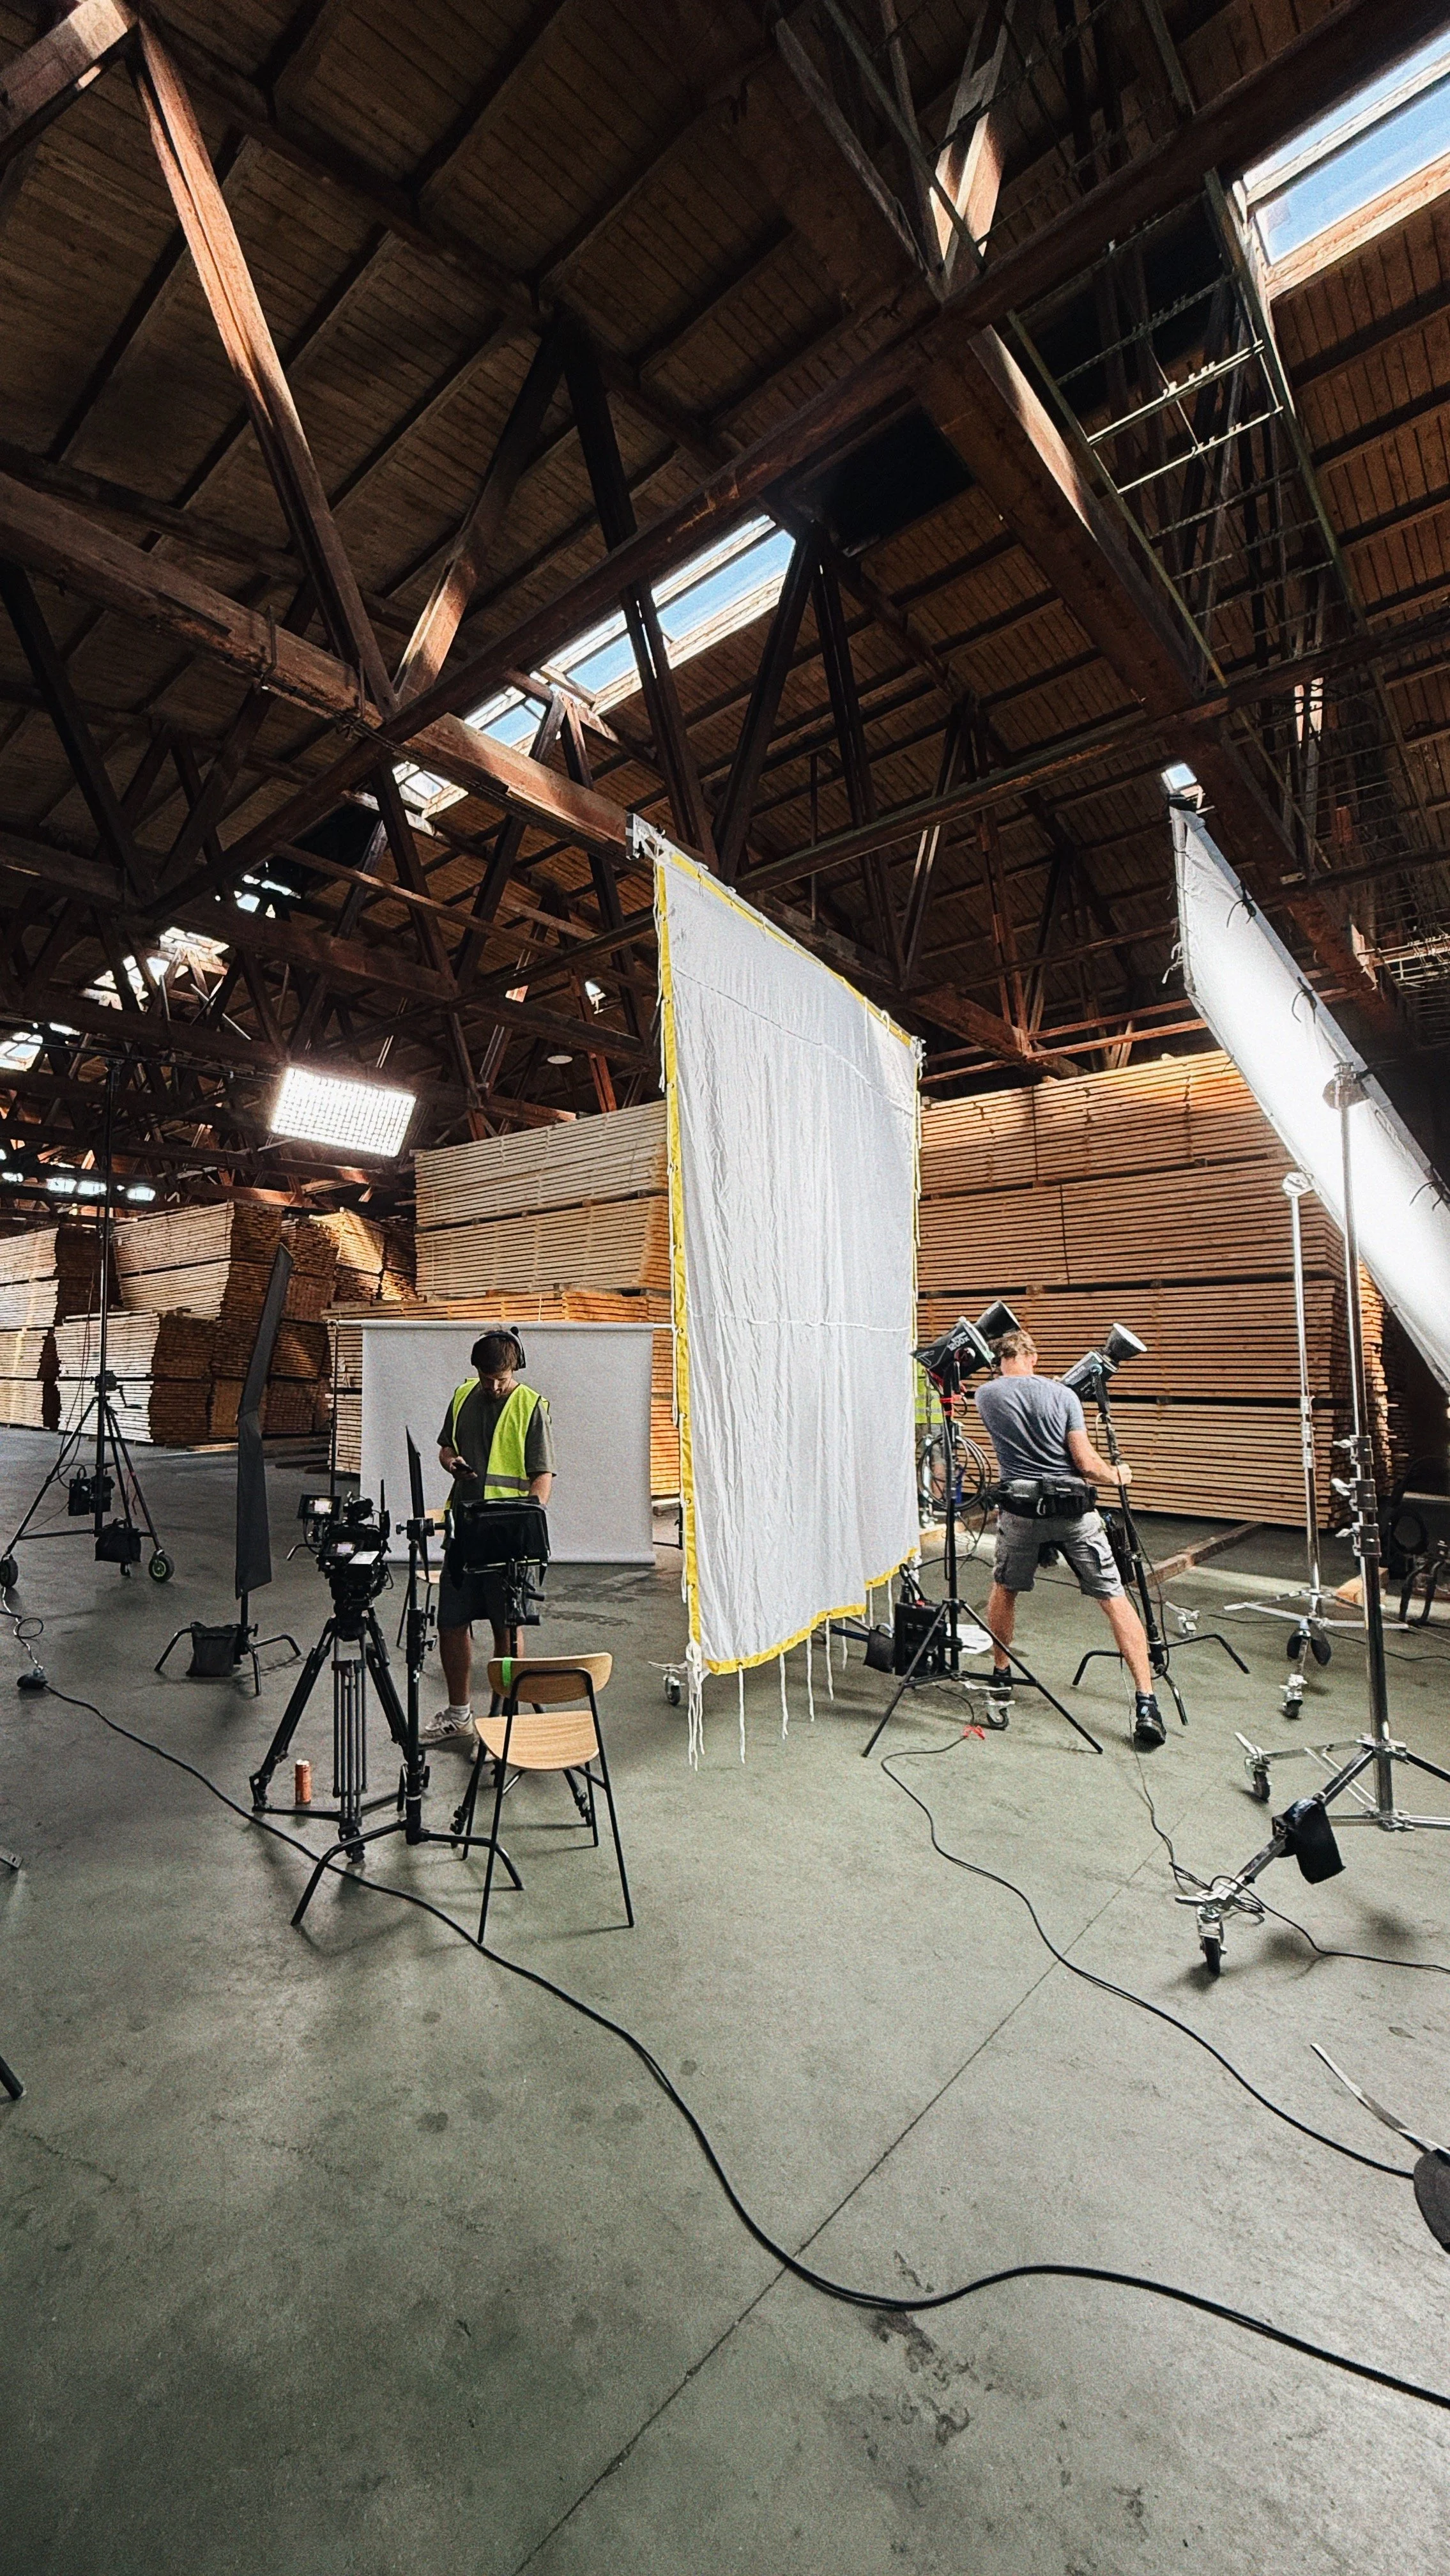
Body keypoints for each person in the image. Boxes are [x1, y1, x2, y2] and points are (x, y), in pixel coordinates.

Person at [972, 1328, 1166, 1750]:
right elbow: (1086, 1464)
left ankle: (1001, 1680)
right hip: (1073, 1515)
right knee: (1115, 1599)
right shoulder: (1064, 1396)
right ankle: (1147, 1702)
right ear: (1034, 1356)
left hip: (1020, 1515)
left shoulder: (985, 1396)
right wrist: (1119, 1474)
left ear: (998, 1360)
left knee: (1004, 1590)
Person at [421, 1330, 554, 1745]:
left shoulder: (530, 1406)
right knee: (451, 1622)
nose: (493, 1386)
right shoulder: (463, 1396)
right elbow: (445, 1448)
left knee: (507, 1628)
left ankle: (507, 1714)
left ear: (514, 1369)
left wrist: (526, 1526)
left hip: (507, 1540)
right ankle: (459, 1714)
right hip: (464, 1531)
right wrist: (451, 1463)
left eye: (500, 1378)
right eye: (486, 1378)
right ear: (476, 1371)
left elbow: (542, 1478)